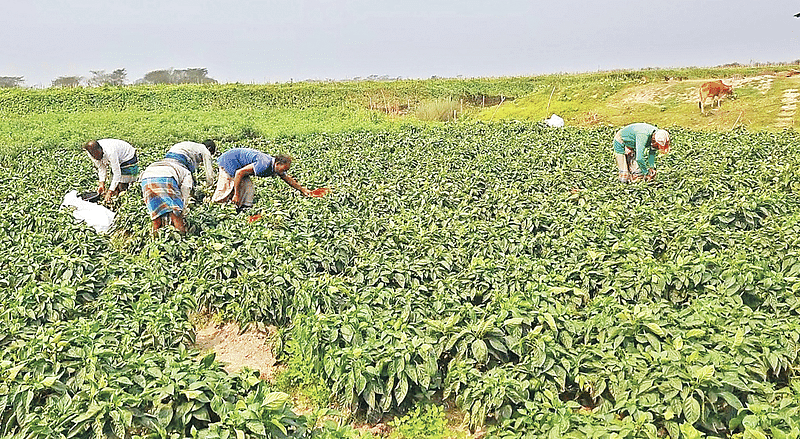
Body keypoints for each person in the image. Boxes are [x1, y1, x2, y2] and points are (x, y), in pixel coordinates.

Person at [212, 148, 311, 211]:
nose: (285, 171)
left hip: (240, 167)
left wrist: (303, 190)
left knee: (248, 188)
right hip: (229, 161)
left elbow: (288, 179)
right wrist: (236, 194)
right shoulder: (263, 165)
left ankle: (244, 209)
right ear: (277, 164)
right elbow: (239, 173)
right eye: (284, 169)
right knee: (226, 187)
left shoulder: (276, 168)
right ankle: (214, 207)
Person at [139, 157, 194, 235]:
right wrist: (182, 207)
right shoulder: (187, 173)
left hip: (146, 178)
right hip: (167, 178)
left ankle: (155, 239)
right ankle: (182, 237)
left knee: (155, 215)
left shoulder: (173, 166)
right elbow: (185, 191)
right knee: (176, 214)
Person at [83, 139, 140, 203]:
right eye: (95, 157)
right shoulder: (91, 152)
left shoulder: (110, 151)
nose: (98, 158)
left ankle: (123, 200)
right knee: (114, 185)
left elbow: (117, 173)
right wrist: (101, 184)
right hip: (118, 156)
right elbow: (101, 168)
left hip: (128, 156)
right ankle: (113, 196)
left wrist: (110, 192)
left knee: (123, 184)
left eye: (99, 156)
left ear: (101, 150)